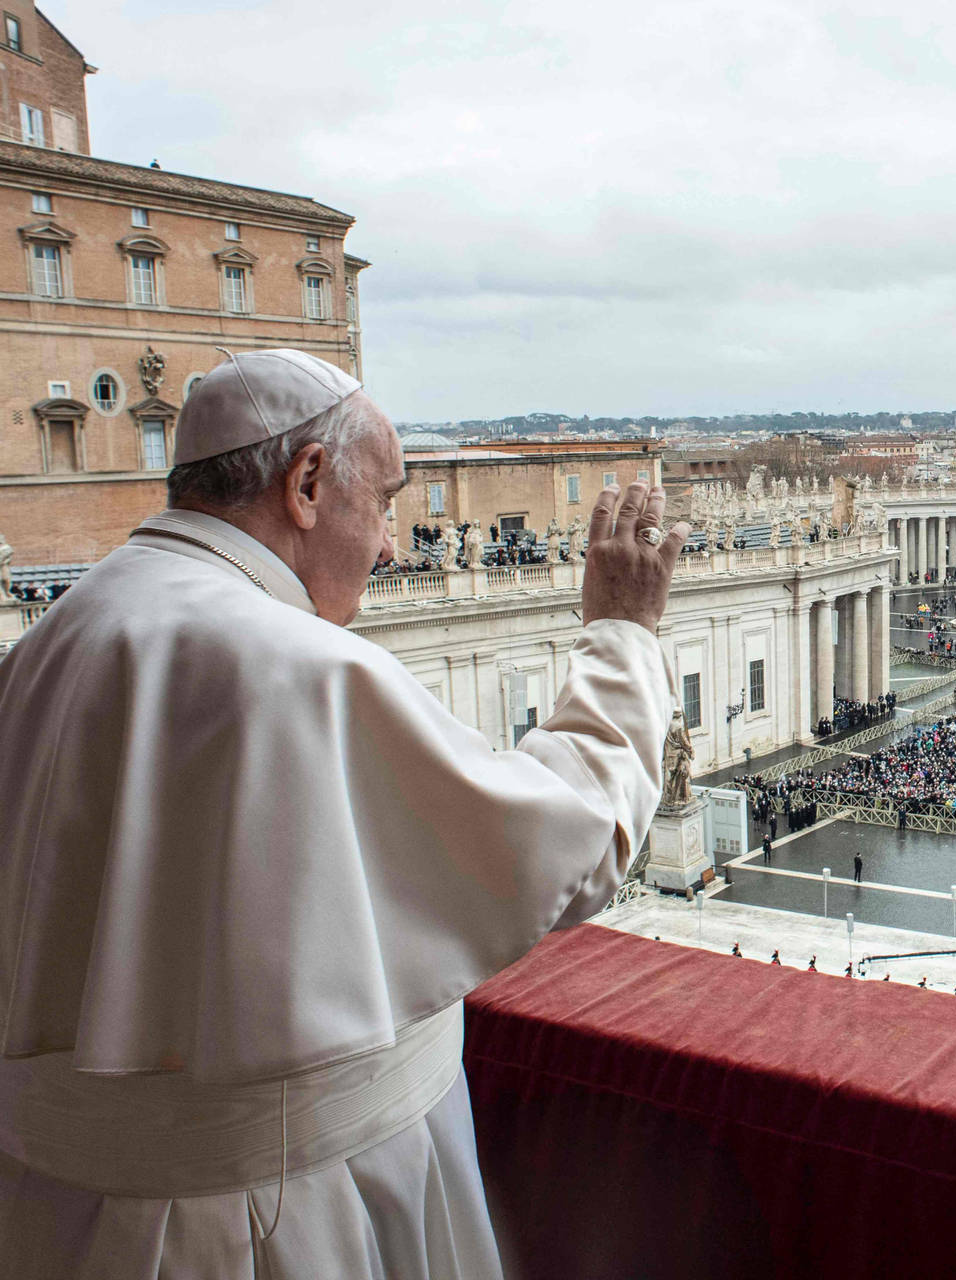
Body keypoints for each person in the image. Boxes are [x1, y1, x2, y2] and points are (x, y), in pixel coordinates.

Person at [0, 349, 691, 1279]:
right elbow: (571, 843)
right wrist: (622, 634)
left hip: (50, 1211)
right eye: (389, 499)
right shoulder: (301, 668)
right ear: (309, 482)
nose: (394, 543)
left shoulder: (52, 637)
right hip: (283, 1221)